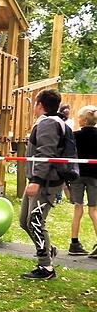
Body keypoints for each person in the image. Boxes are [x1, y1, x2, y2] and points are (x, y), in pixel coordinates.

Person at [20, 89, 69, 279]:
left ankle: (46, 267)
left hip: (45, 182)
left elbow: (46, 154)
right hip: (38, 180)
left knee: (35, 221)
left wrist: (36, 181)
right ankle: (47, 249)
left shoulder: (49, 123)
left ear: (39, 105)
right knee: (25, 221)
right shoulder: (47, 122)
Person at [68, 105, 97, 258]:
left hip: (78, 175)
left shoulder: (74, 135)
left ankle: (74, 244)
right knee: (94, 211)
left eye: (79, 117)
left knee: (78, 209)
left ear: (84, 120)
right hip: (95, 177)